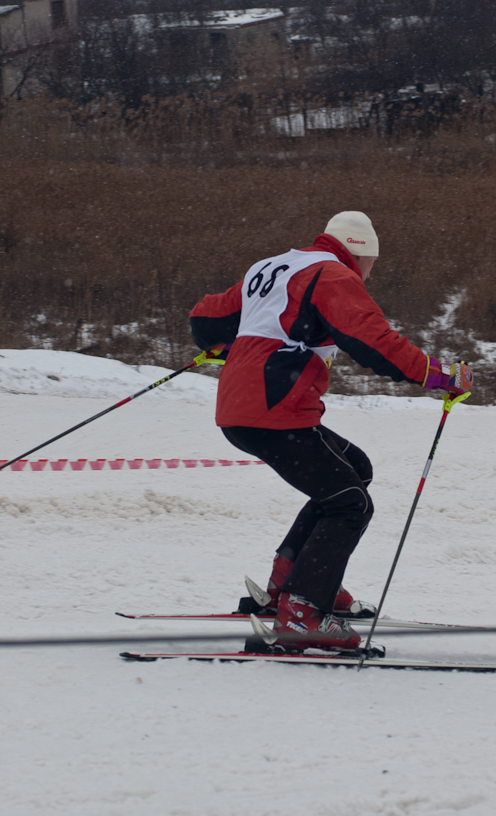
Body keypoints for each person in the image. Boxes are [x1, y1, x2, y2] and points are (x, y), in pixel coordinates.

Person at [189, 211, 472, 652]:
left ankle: (291, 585)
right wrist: (439, 376)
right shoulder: (333, 276)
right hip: (273, 408)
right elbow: (374, 340)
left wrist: (224, 347)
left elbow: (206, 319)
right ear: (360, 252)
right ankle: (302, 614)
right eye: (371, 263)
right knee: (350, 504)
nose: (369, 272)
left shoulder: (275, 266)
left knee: (352, 469)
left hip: (246, 406)